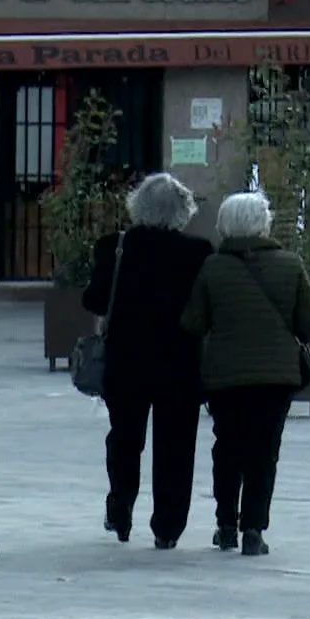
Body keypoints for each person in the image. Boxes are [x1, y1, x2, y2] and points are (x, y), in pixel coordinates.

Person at [179, 191, 310, 557]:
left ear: (225, 225)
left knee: (226, 448)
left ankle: (225, 524)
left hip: (225, 376)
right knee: (264, 452)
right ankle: (254, 530)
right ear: (263, 223)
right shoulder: (289, 264)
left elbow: (192, 322)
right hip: (276, 377)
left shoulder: (212, 267)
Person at [83, 173, 215, 549]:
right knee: (176, 444)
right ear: (182, 210)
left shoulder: (115, 247)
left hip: (127, 359)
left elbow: (93, 300)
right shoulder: (199, 251)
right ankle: (168, 527)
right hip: (180, 361)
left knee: (125, 437)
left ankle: (120, 508)